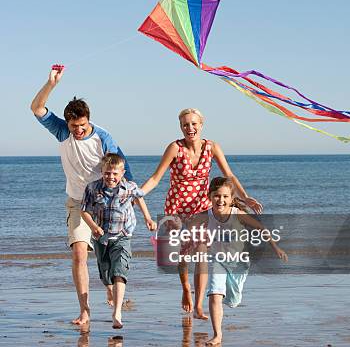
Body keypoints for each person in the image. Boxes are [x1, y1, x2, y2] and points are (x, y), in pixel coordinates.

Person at [30, 67, 153, 325]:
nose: (78, 130)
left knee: (106, 257)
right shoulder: (62, 131)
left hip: (104, 204)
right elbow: (36, 108)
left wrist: (133, 201)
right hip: (77, 202)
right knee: (78, 254)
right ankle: (85, 310)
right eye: (74, 126)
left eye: (82, 125)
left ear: (89, 119)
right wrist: (51, 83)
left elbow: (122, 169)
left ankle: (110, 288)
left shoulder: (103, 137)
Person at [141, 108, 263, 320]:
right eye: (186, 124)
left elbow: (229, 175)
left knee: (201, 250)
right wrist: (137, 193)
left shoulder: (212, 147)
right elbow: (155, 177)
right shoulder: (174, 148)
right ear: (181, 127)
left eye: (194, 124)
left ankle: (198, 304)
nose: (190, 128)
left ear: (201, 125)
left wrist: (245, 198)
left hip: (201, 208)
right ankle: (186, 289)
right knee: (182, 255)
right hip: (177, 207)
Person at [203, 177, 288, 346]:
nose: (221, 200)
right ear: (210, 196)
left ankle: (228, 298)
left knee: (233, 301)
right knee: (214, 294)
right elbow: (189, 229)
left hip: (238, 263)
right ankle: (217, 335)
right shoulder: (206, 215)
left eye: (225, 196)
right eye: (217, 196)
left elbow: (261, 229)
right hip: (216, 260)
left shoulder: (237, 214)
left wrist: (276, 248)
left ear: (232, 199)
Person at [81, 153, 155, 329]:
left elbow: (140, 197)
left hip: (123, 236)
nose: (111, 177)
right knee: (105, 273)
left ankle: (117, 312)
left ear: (122, 172)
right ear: (102, 171)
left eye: (115, 173)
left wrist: (148, 218)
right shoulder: (92, 188)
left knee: (119, 271)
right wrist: (93, 226)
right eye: (107, 173)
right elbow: (84, 210)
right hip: (101, 237)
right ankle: (109, 289)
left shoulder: (129, 187)